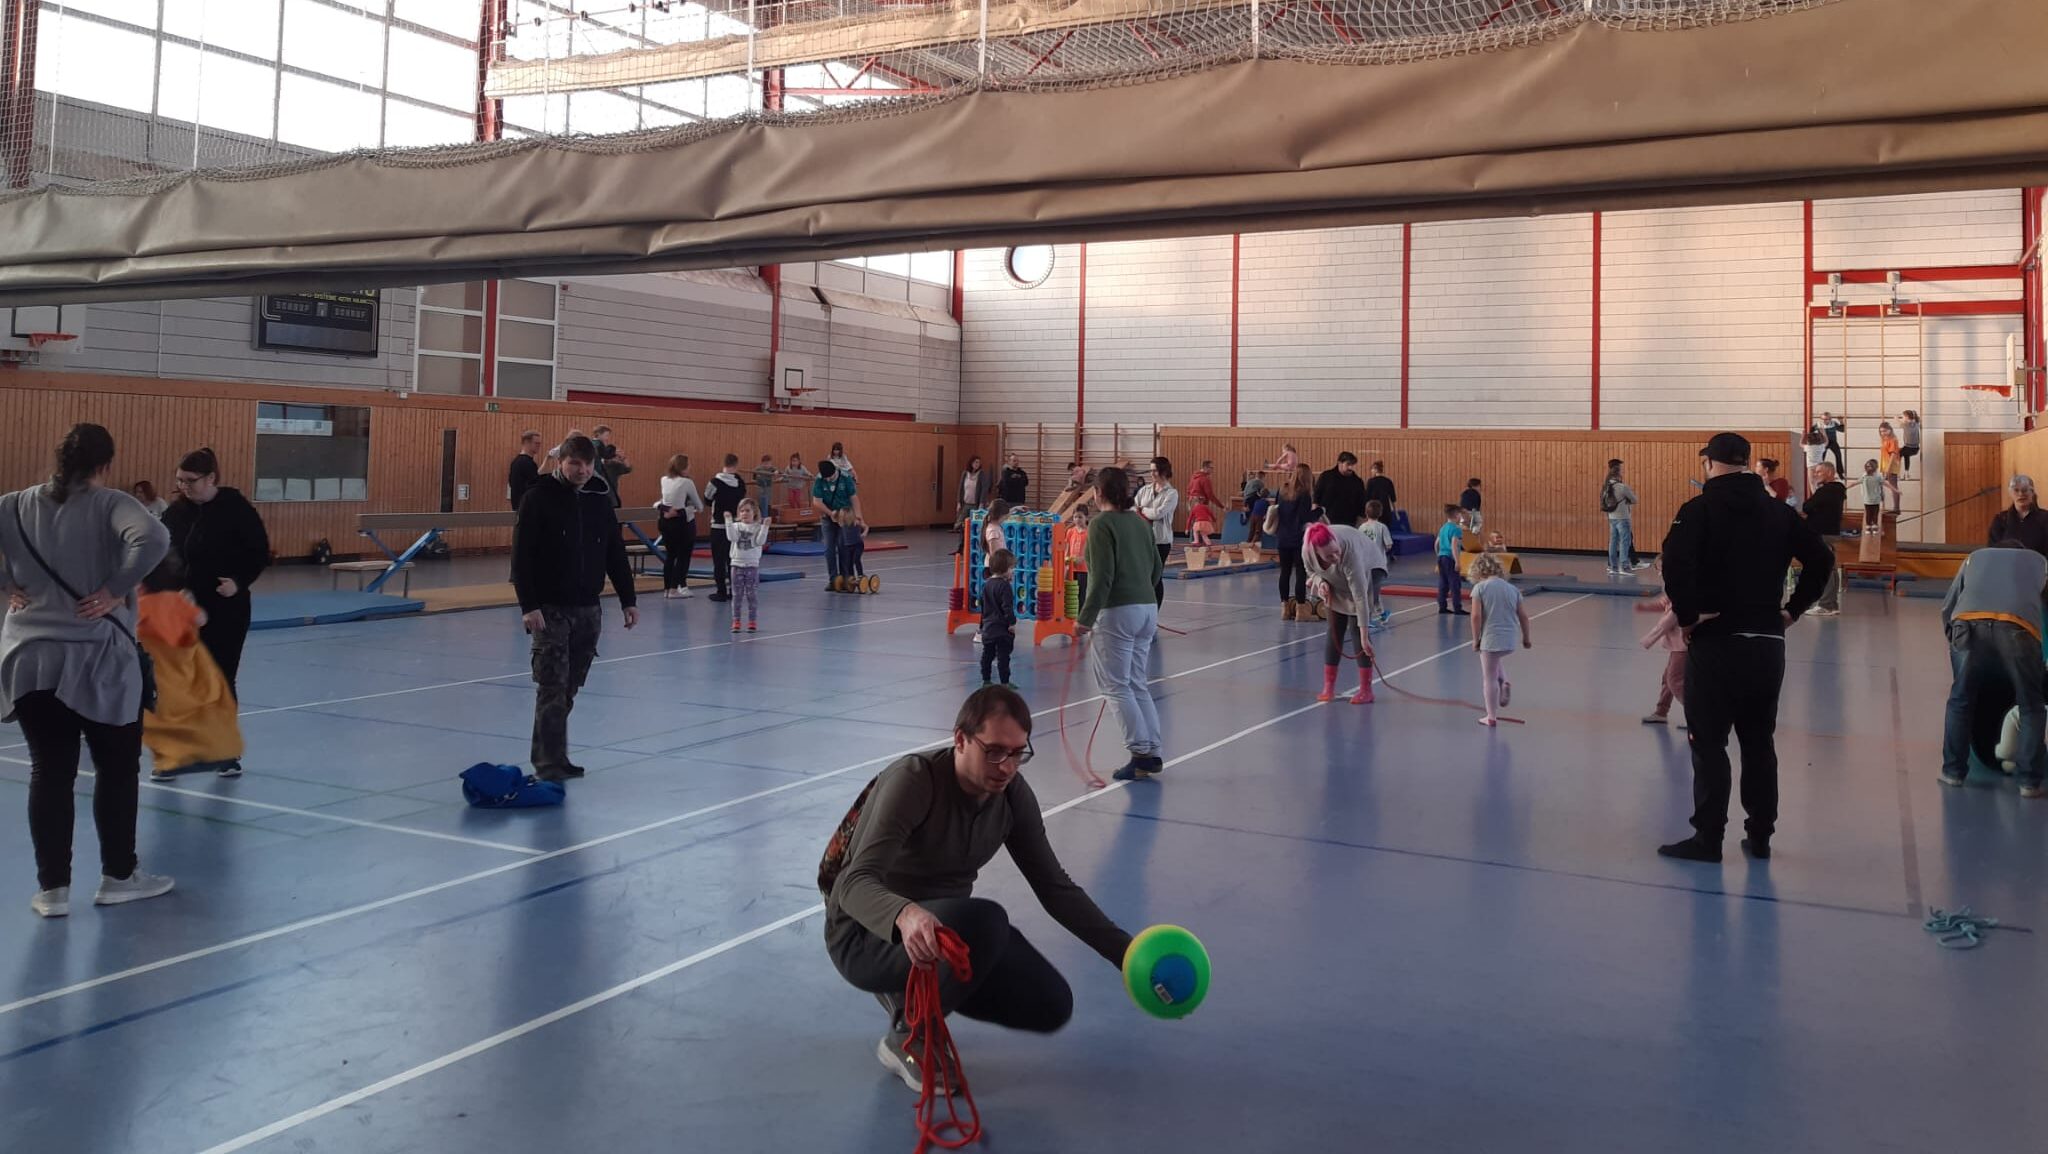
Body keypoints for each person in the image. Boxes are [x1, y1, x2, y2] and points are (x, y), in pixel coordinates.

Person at [821, 686, 1133, 1090]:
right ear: (961, 739)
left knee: (1051, 1005)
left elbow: (1054, 886)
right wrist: (905, 914)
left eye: (1018, 752)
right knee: (986, 920)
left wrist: (1125, 954)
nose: (1006, 766)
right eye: (994, 751)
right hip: (863, 935)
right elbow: (853, 884)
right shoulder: (915, 781)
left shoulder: (1012, 797)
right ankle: (908, 1035)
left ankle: (911, 992)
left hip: (943, 936)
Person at [2, 423, 175, 918]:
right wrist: (118, 587)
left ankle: (52, 890)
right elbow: (154, 536)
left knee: (49, 772)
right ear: (105, 465)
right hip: (99, 659)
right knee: (116, 770)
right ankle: (119, 876)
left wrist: (7, 583)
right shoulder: (111, 503)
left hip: (29, 658)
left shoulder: (12, 505)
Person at [1656, 432, 1834, 863]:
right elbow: (1821, 559)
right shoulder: (1778, 512)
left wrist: (1687, 615)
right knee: (1758, 742)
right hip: (1766, 643)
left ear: (1710, 464)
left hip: (1717, 642)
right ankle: (1759, 837)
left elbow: (1674, 560)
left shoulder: (1697, 510)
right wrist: (1792, 611)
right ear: (1747, 463)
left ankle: (1708, 839)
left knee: (1709, 743)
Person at [512, 435, 639, 783]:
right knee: (552, 684)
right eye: (574, 464)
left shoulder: (600, 501)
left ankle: (555, 754)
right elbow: (521, 556)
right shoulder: (537, 498)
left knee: (570, 686)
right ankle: (548, 761)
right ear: (560, 463)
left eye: (587, 464)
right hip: (550, 608)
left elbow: (614, 552)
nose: (582, 470)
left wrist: (628, 599)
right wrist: (529, 605)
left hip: (588, 607)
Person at [1076, 466, 1165, 781]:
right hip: (1147, 609)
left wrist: (1084, 620)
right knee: (1136, 682)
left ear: (1099, 494)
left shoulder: (1101, 525)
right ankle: (1151, 750)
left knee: (1115, 685)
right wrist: (1142, 592)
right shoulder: (1140, 523)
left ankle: (1140, 751)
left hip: (1118, 612)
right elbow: (1156, 569)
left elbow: (1101, 579)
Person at [1939, 540, 2047, 798]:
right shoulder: (2038, 561)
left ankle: (1953, 773)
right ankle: (2029, 782)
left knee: (1960, 699)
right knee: (2030, 704)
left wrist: (1952, 638)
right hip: (2017, 627)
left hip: (1967, 624)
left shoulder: (1975, 557)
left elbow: (1949, 603)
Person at [161, 447, 269, 697]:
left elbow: (258, 551)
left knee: (219, 677)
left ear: (210, 478)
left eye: (191, 480)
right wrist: (173, 588)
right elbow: (163, 555)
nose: (184, 486)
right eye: (180, 479)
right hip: (184, 607)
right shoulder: (175, 513)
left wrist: (238, 581)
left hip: (225, 607)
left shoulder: (235, 508)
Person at [136, 553, 243, 780]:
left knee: (162, 721)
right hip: (188, 670)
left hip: (159, 676)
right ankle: (221, 755)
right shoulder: (177, 601)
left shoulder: (140, 605)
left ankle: (170, 762)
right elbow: (201, 619)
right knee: (205, 713)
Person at [1302, 522, 1381, 704]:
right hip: (1336, 579)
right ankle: (1328, 687)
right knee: (1334, 630)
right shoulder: (1307, 550)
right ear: (1316, 552)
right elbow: (1311, 571)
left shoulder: (1350, 554)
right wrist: (1320, 582)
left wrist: (1364, 636)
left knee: (1356, 630)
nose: (1335, 556)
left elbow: (1360, 597)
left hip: (1369, 568)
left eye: (1336, 551)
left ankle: (1366, 690)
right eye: (1329, 555)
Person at [1468, 552, 1530, 727]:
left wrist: (1475, 639)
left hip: (1491, 639)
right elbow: (1524, 616)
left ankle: (1491, 716)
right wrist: (1526, 638)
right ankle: (1505, 680)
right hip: (1509, 640)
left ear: (1478, 571)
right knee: (1495, 660)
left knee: (1489, 677)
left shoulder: (1480, 588)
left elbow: (1475, 616)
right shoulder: (1512, 589)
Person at [1637, 556, 1687, 726]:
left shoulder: (1681, 587)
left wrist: (1648, 640)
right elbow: (1665, 603)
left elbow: (1668, 621)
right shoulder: (1673, 586)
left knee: (1674, 680)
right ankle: (1661, 712)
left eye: (1661, 569)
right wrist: (1645, 607)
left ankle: (1696, 714)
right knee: (1668, 678)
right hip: (1677, 644)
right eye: (1657, 570)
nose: (1659, 574)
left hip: (1683, 645)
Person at [1803, 464, 1848, 617]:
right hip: (1830, 531)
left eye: (1819, 472)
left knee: (1825, 568)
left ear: (1829, 472)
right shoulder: (1837, 490)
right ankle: (1832, 604)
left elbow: (1807, 506)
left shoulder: (1827, 490)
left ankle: (1826, 604)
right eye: (1815, 472)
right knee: (1831, 568)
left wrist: (1815, 491)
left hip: (1823, 532)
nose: (1816, 474)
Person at [1134, 457, 1180, 607]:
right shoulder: (1144, 490)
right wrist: (1141, 511)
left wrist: (1143, 510)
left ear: (1163, 471)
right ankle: (1143, 607)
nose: (1152, 473)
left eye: (1155, 470)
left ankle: (1154, 611)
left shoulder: (1171, 493)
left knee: (1155, 577)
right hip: (1143, 539)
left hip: (1161, 540)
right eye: (1151, 470)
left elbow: (1159, 514)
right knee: (1142, 575)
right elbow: (1133, 508)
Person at [658, 454, 704, 600]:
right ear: (683, 467)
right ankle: (674, 589)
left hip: (666, 522)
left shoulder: (664, 480)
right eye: (688, 465)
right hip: (682, 523)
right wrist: (684, 509)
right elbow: (699, 506)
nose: (690, 467)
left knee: (671, 555)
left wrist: (667, 509)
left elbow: (661, 503)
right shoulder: (686, 482)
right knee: (683, 556)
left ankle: (667, 589)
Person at [1273, 464, 1315, 621]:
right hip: (1297, 538)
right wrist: (1319, 512)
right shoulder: (1304, 494)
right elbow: (1305, 518)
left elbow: (1278, 511)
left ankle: (1284, 607)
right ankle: (1300, 610)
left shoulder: (1282, 490)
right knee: (1300, 572)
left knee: (1284, 572)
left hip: (1282, 537)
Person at [812, 459, 863, 591]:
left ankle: (846, 578)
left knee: (843, 547)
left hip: (845, 517)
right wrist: (830, 513)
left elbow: (854, 498)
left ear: (835, 471)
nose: (828, 480)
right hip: (828, 517)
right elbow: (817, 502)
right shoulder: (819, 479)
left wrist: (858, 517)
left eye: (831, 477)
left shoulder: (845, 477)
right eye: (826, 478)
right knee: (829, 549)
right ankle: (833, 579)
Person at [723, 499, 772, 633]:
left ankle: (752, 620)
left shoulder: (757, 527)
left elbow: (760, 541)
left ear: (754, 512)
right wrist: (728, 521)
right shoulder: (736, 526)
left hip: (751, 565)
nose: (744, 513)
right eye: (742, 511)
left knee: (752, 595)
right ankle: (736, 620)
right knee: (737, 595)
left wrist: (765, 527)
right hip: (736, 564)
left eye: (748, 510)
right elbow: (732, 538)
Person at [704, 455, 747, 603]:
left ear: (723, 464)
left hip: (718, 525)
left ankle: (721, 591)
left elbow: (707, 500)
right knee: (733, 560)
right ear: (736, 465)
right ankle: (734, 590)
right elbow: (742, 498)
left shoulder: (715, 482)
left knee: (718, 561)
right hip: (735, 525)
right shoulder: (740, 482)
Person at [1601, 459, 1647, 575]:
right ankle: (1625, 567)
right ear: (1618, 473)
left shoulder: (1606, 486)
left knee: (1613, 542)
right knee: (1625, 542)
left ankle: (1613, 567)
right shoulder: (1622, 487)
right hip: (1623, 517)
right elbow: (1634, 500)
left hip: (1611, 517)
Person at [979, 548, 1017, 687]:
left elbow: (983, 607)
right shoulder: (1005, 586)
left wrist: (982, 626)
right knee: (1003, 657)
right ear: (1004, 569)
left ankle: (986, 680)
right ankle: (1005, 683)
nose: (1013, 571)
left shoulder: (987, 584)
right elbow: (1007, 607)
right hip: (1001, 630)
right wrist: (1011, 623)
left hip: (988, 628)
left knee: (987, 655)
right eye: (1011, 568)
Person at [1989, 475, 2048, 557]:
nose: (2021, 494)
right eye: (2016, 490)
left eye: (2025, 490)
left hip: (2036, 568)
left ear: (2032, 492)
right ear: (2010, 493)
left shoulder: (2045, 518)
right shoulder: (2000, 519)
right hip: (2008, 567)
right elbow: (1993, 550)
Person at [1361, 499, 1394, 627]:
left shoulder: (1362, 527)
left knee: (1368, 590)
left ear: (1366, 513)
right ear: (1380, 513)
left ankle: (1380, 612)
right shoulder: (1382, 527)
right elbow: (1389, 544)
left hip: (1364, 563)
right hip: (1377, 563)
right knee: (1373, 591)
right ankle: (1368, 617)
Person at [1313, 452, 1367, 529]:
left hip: (1349, 525)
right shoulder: (1326, 477)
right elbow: (1316, 500)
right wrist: (1317, 520)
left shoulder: (1357, 482)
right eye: (1348, 464)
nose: (1350, 467)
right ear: (1339, 463)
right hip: (1327, 523)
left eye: (1352, 465)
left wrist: (1357, 526)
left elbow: (1362, 506)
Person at [1435, 504, 1467, 615]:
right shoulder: (1456, 529)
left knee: (1443, 582)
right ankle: (1457, 607)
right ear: (1456, 515)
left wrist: (1438, 555)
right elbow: (1454, 545)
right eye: (1460, 515)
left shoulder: (1443, 528)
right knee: (1455, 583)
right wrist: (1457, 561)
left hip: (1441, 557)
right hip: (1450, 557)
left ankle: (1442, 606)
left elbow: (1436, 543)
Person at [954, 455, 990, 552]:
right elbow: (960, 488)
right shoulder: (965, 474)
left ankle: (975, 547)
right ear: (971, 463)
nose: (977, 464)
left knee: (976, 526)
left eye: (978, 462)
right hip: (966, 503)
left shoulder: (981, 474)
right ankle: (961, 547)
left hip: (976, 504)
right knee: (961, 525)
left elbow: (984, 489)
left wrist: (982, 503)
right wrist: (958, 502)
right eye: (975, 462)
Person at [592, 425, 631, 509]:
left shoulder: (612, 465)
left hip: (609, 496)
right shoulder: (597, 445)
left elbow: (628, 468)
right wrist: (614, 453)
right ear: (598, 435)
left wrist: (622, 457)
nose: (607, 438)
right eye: (606, 435)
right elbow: (605, 455)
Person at [508, 430, 543, 513]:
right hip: (526, 508)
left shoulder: (516, 462)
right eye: (536, 443)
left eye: (539, 444)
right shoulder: (526, 463)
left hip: (520, 507)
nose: (539, 446)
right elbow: (535, 485)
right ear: (527, 443)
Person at [1858, 459, 1885, 539]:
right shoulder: (1864, 475)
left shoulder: (1878, 476)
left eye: (1870, 466)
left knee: (1875, 512)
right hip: (1867, 498)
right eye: (1867, 466)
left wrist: (1882, 496)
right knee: (1868, 513)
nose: (1868, 467)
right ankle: (1868, 525)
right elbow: (1857, 483)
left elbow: (1881, 486)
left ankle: (1874, 525)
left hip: (1876, 498)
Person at [1822, 411, 1847, 476]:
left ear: (1830, 419)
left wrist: (1841, 421)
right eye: (1823, 419)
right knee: (1821, 457)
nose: (1825, 421)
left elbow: (1842, 430)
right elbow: (1811, 430)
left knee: (1838, 455)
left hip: (1833, 442)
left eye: (1826, 419)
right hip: (1824, 443)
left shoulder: (1833, 423)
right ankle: (1820, 471)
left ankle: (1840, 472)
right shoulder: (1820, 425)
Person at [1900, 410, 1922, 476]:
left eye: (1902, 417)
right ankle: (1907, 472)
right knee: (1906, 455)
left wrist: (1895, 418)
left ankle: (1897, 473)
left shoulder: (1905, 425)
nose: (1902, 418)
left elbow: (1901, 422)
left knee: (1897, 455)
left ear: (1907, 417)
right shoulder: (1917, 423)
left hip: (1909, 448)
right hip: (1915, 448)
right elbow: (1917, 419)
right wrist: (1914, 415)